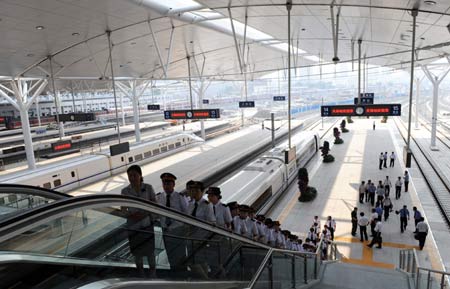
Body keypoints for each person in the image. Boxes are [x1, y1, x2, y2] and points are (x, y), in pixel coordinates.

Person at [121, 165, 157, 277]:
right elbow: (123, 209)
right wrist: (131, 215)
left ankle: (153, 273)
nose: (132, 178)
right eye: (129, 175)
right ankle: (141, 273)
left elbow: (155, 204)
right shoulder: (125, 191)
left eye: (134, 175)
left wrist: (144, 214)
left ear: (140, 175)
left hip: (147, 225)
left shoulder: (148, 187)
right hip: (133, 227)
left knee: (150, 252)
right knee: (137, 253)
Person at [156, 172, 189, 271]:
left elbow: (186, 213)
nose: (166, 186)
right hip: (165, 230)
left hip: (178, 230)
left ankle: (183, 274)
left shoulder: (180, 197)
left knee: (181, 255)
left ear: (173, 184)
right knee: (170, 254)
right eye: (164, 184)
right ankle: (174, 273)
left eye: (168, 184)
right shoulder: (158, 197)